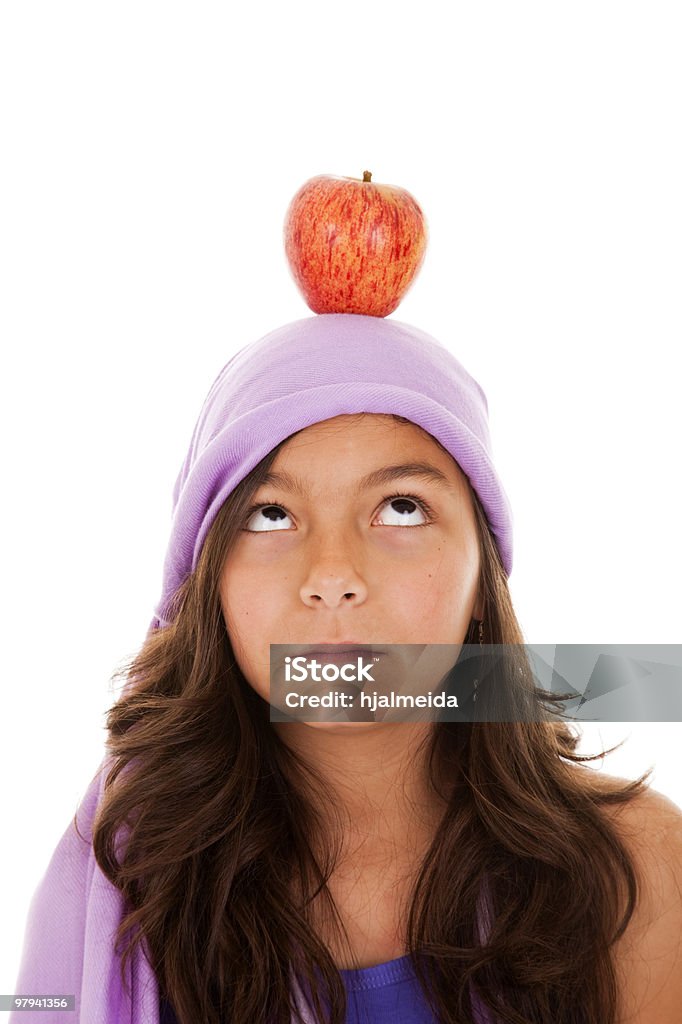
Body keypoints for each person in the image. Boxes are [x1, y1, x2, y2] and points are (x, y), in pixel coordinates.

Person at [12, 313, 682, 1024]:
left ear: (482, 578)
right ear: (211, 587)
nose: (333, 576)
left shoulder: (641, 871)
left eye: (401, 507)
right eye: (270, 514)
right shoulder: (117, 885)